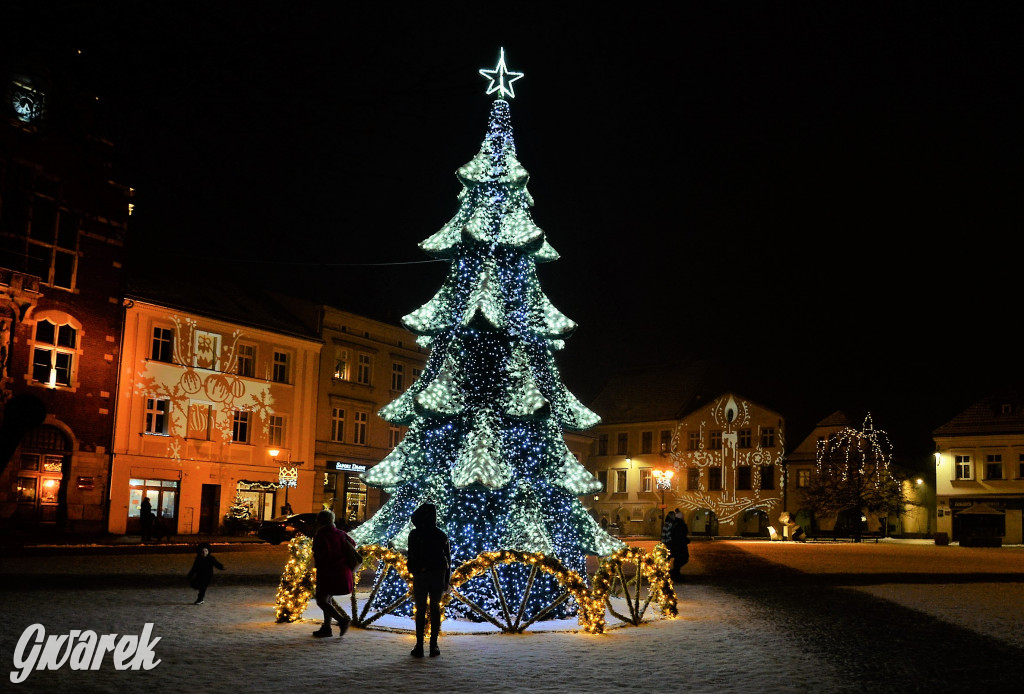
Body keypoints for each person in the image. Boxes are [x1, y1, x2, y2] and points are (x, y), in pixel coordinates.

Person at [406, 503, 451, 658]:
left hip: (421, 574)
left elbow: (411, 554)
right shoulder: (441, 535)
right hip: (438, 572)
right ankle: (433, 645)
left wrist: (413, 569)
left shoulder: (415, 534)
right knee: (435, 608)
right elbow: (447, 558)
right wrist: (447, 579)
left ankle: (419, 645)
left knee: (420, 609)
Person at [311, 509, 354, 638]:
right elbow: (353, 544)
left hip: (328, 572)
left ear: (319, 521)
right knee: (327, 599)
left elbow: (320, 556)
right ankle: (326, 627)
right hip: (343, 571)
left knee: (321, 601)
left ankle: (342, 621)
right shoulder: (341, 533)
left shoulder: (321, 536)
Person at [669, 513, 690, 582]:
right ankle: (675, 573)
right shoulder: (680, 525)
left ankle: (675, 572)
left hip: (677, 545)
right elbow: (680, 535)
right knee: (682, 558)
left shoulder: (675, 524)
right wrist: (685, 540)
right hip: (679, 545)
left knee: (679, 559)